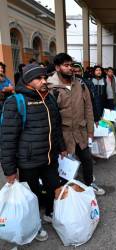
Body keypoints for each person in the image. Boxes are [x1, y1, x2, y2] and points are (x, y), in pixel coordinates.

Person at [0, 63, 67, 241]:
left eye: (44, 77)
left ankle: (50, 213)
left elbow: (56, 127)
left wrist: (62, 147)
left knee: (53, 186)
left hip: (49, 157)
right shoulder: (15, 102)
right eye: (39, 78)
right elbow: (7, 139)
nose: (44, 81)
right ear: (28, 81)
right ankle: (34, 224)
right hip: (28, 160)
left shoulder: (49, 98)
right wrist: (10, 170)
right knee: (32, 196)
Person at [47, 53, 105, 195]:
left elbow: (88, 108)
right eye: (65, 65)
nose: (70, 68)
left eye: (71, 65)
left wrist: (90, 131)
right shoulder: (50, 87)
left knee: (87, 160)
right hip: (63, 135)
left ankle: (89, 183)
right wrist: (57, 143)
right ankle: (66, 194)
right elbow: (50, 117)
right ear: (57, 67)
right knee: (65, 166)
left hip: (81, 131)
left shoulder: (80, 84)